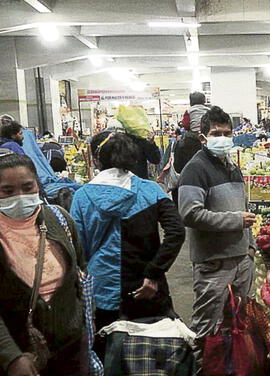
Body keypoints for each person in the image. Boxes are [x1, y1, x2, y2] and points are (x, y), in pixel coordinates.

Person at [70, 132, 185, 360]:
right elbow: (176, 232)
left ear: (96, 160)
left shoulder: (81, 197)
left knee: (109, 354)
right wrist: (154, 272)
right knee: (151, 354)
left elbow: (77, 250)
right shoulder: (151, 190)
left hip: (102, 289)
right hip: (146, 287)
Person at [177, 106, 256, 373]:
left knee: (237, 325)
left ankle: (232, 369)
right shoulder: (195, 169)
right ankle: (203, 370)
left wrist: (251, 248)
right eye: (215, 133)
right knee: (207, 329)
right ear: (203, 137)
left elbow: (245, 210)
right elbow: (190, 213)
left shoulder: (233, 167)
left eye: (226, 133)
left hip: (240, 261)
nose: (222, 138)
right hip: (213, 264)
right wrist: (235, 221)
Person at [0, 153, 88, 375]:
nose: (19, 197)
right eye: (8, 191)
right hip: (20, 357)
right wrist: (11, 356)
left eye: (27, 187)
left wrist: (82, 324)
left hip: (72, 350)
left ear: (38, 185)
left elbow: (80, 271)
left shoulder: (60, 219)